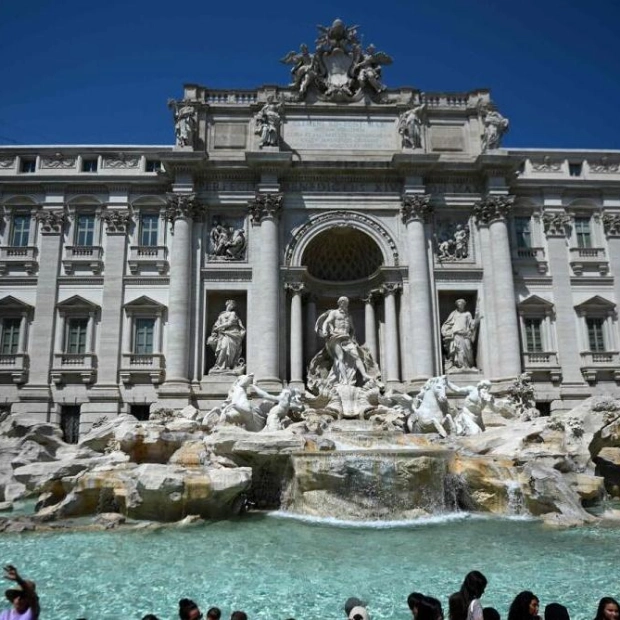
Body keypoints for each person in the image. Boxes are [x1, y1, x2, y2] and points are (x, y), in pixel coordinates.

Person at [317, 296, 371, 385]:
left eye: (346, 302)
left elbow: (352, 329)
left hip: (346, 338)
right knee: (340, 358)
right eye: (343, 302)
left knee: (356, 356)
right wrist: (325, 331)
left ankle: (364, 375)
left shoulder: (349, 316)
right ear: (339, 303)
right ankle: (345, 379)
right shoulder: (334, 313)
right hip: (336, 336)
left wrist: (352, 337)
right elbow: (326, 322)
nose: (344, 304)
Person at [441, 299, 481, 371]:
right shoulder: (454, 314)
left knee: (468, 349)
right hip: (456, 335)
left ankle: (469, 366)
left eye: (462, 304)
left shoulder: (467, 314)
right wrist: (445, 331)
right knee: (459, 350)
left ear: (464, 305)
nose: (460, 305)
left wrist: (477, 317)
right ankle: (461, 366)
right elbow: (447, 324)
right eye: (459, 304)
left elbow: (471, 325)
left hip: (466, 334)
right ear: (457, 305)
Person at [208, 300, 246, 372]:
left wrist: (218, 328)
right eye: (231, 305)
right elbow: (216, 325)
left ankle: (228, 366)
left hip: (232, 334)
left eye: (233, 306)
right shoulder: (221, 315)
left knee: (226, 347)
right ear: (227, 304)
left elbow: (230, 323)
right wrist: (214, 332)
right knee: (223, 348)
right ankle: (220, 365)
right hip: (222, 334)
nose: (232, 306)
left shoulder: (233, 313)